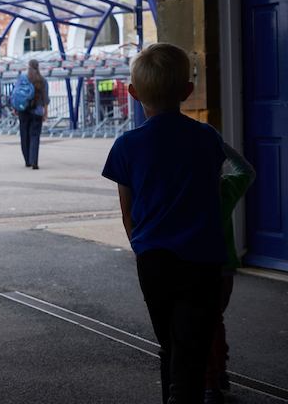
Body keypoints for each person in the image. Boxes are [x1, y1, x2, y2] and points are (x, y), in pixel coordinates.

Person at [102, 43, 226, 403]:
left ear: (133, 92)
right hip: (203, 257)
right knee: (194, 343)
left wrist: (139, 245)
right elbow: (213, 195)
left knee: (169, 340)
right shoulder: (207, 138)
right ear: (188, 92)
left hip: (154, 260)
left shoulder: (126, 146)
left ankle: (174, 393)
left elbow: (129, 211)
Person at [205, 143, 255, 404]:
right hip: (225, 268)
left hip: (199, 267)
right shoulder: (227, 188)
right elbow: (247, 171)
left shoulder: (189, 194)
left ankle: (210, 383)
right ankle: (221, 373)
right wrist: (223, 148)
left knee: (200, 326)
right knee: (216, 320)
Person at [17, 59, 49, 169]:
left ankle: (27, 160)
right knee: (35, 137)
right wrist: (45, 112)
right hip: (37, 112)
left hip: (23, 111)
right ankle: (34, 161)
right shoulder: (42, 80)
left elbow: (16, 94)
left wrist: (16, 107)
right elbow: (45, 99)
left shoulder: (23, 78)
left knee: (24, 136)